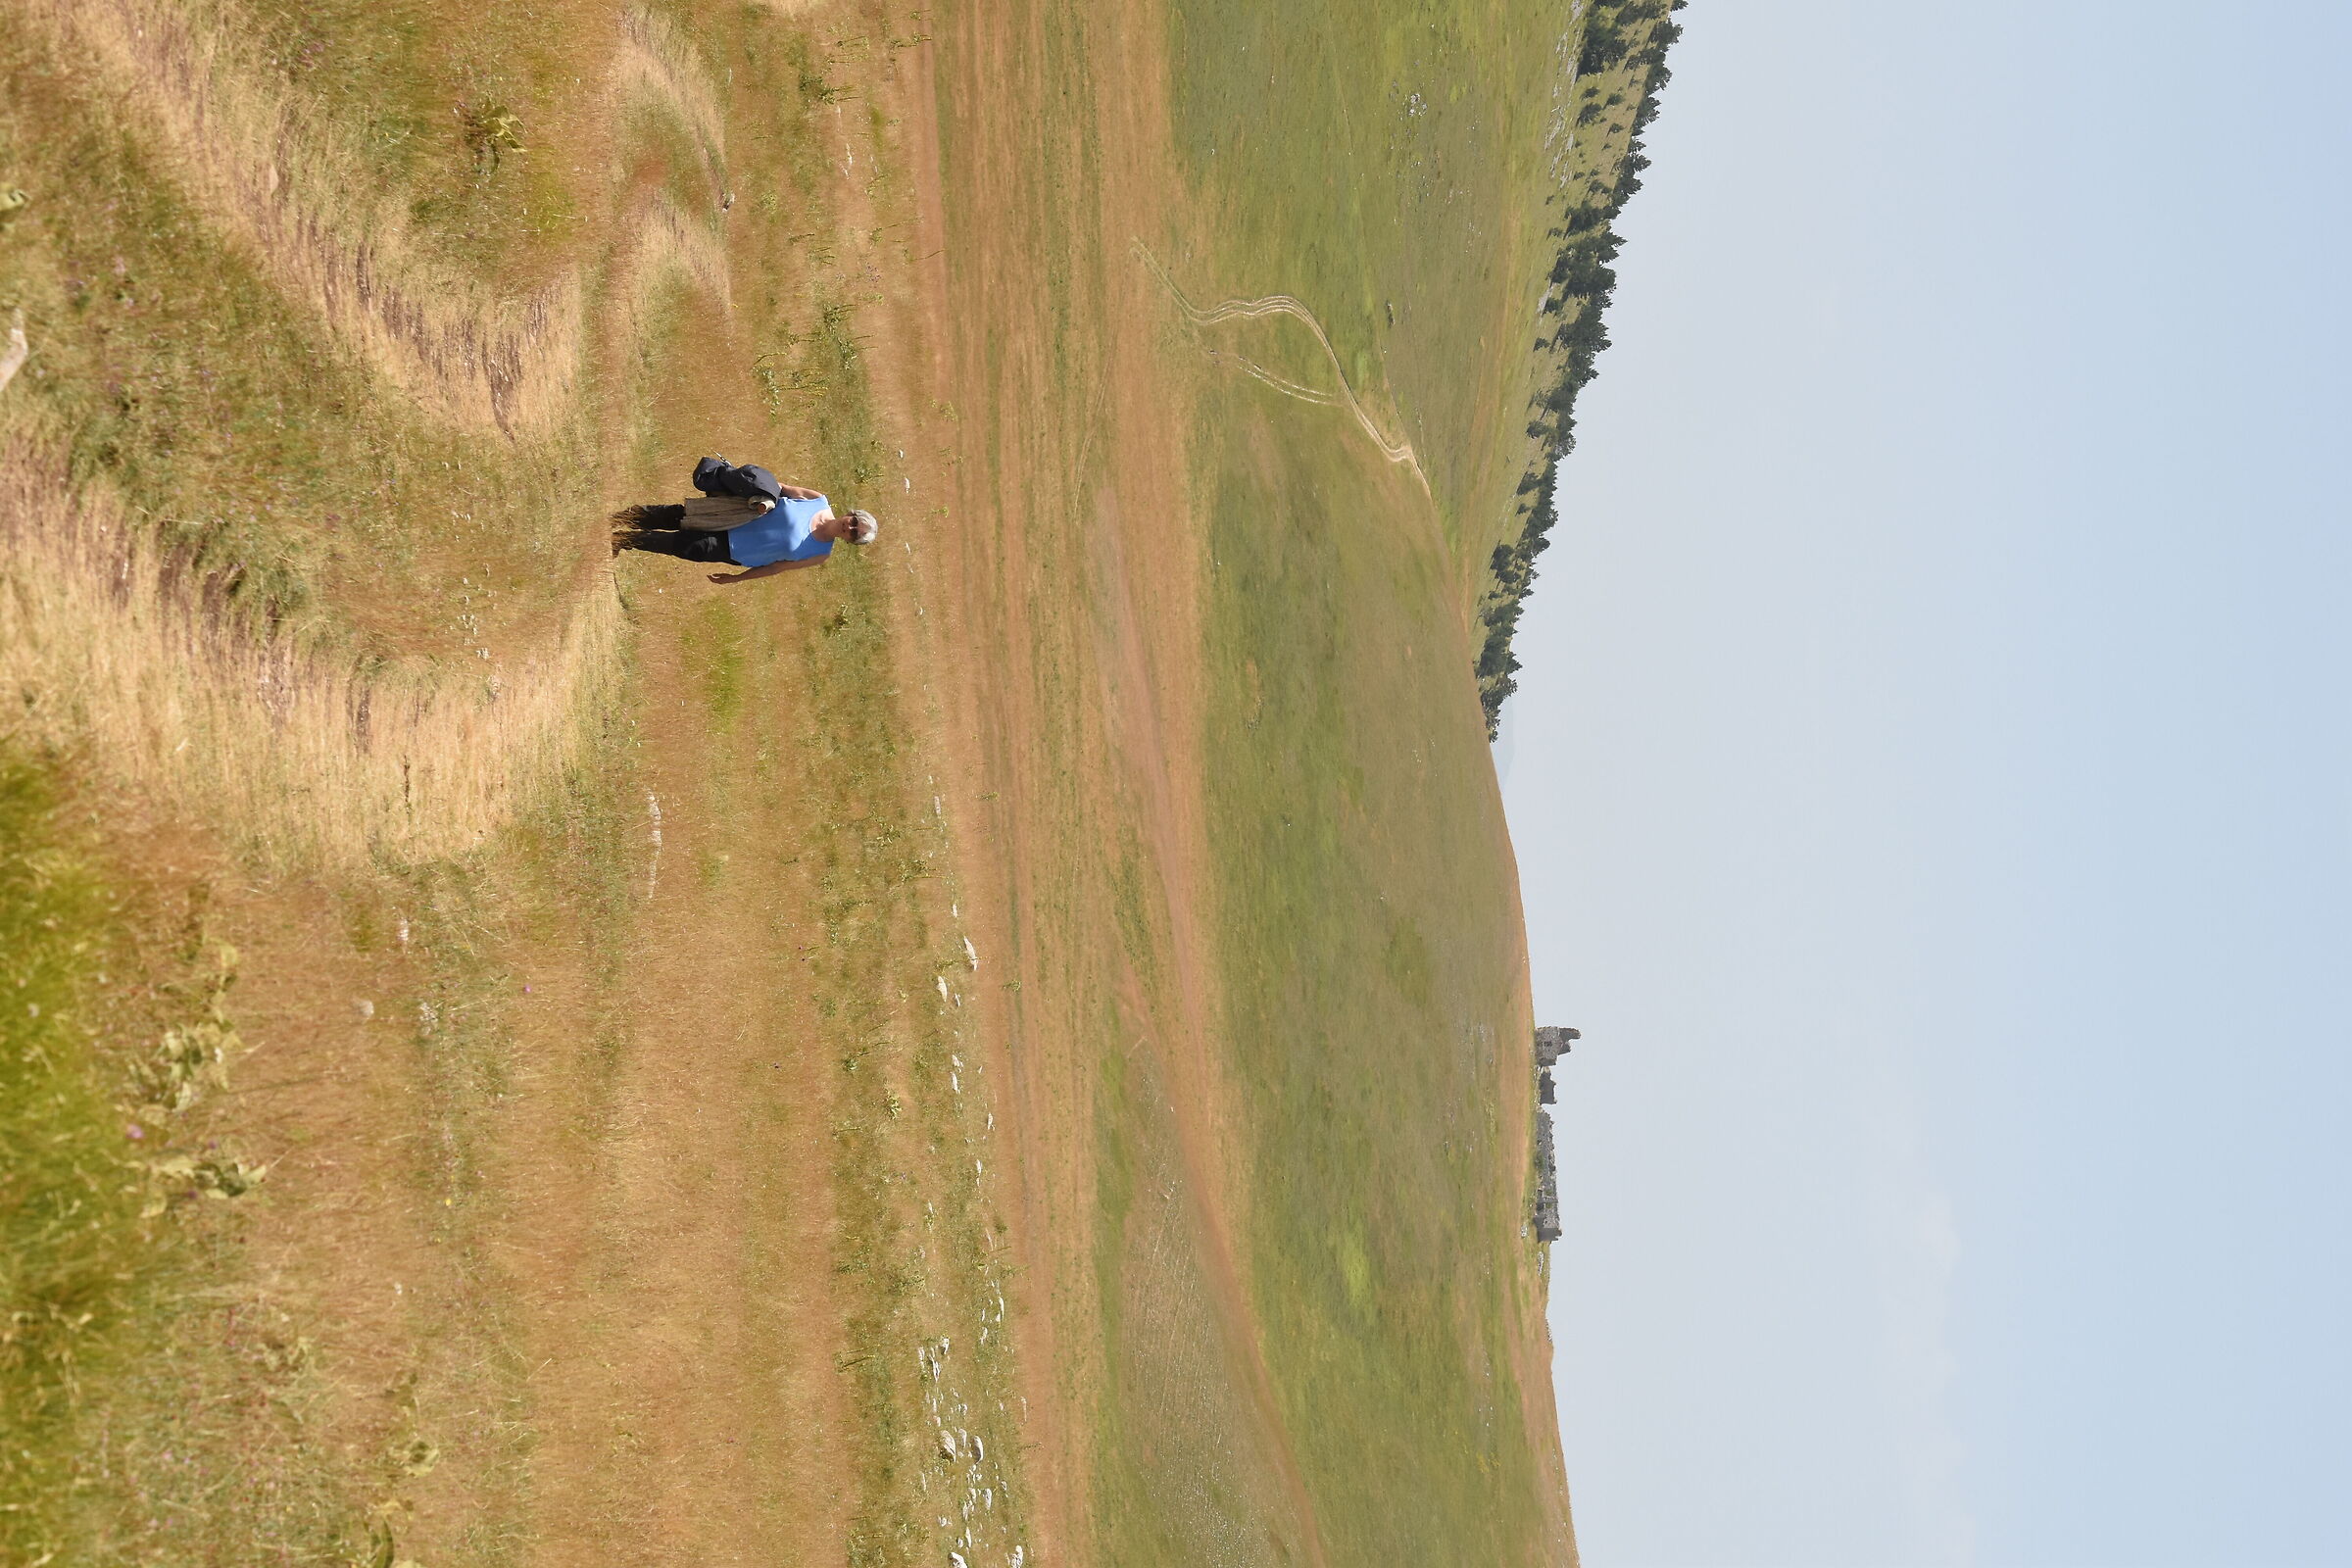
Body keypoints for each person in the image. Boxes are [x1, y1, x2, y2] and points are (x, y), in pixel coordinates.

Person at [615, 484, 879, 583]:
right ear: (851, 513)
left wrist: (737, 578)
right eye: (855, 521)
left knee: (681, 546)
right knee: (676, 516)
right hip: (732, 515)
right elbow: (778, 487)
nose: (851, 527)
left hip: (732, 550)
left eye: (855, 533)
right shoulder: (816, 500)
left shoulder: (820, 554)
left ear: (850, 541)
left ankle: (623, 540)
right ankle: (618, 519)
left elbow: (776, 568)